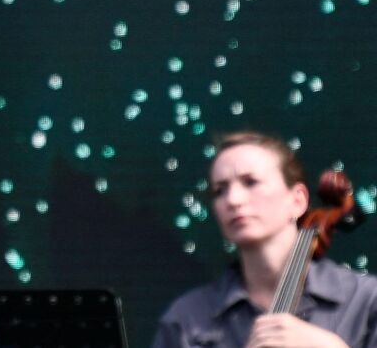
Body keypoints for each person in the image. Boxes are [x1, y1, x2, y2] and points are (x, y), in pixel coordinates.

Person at [152, 131, 377, 347]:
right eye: (220, 190)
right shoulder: (185, 320)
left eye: (251, 182)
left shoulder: (366, 300)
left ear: (298, 201)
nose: (233, 199)